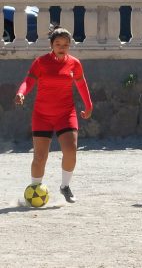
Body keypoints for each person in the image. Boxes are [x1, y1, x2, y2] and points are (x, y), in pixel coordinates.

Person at [15, 25, 93, 203]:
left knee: (71, 151)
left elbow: (82, 85)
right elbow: (28, 81)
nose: (62, 47)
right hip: (42, 115)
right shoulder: (41, 62)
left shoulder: (74, 63)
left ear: (69, 46)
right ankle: (35, 189)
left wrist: (89, 105)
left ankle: (65, 186)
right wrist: (21, 93)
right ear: (51, 45)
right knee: (40, 157)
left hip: (66, 114)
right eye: (58, 43)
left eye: (65, 44)